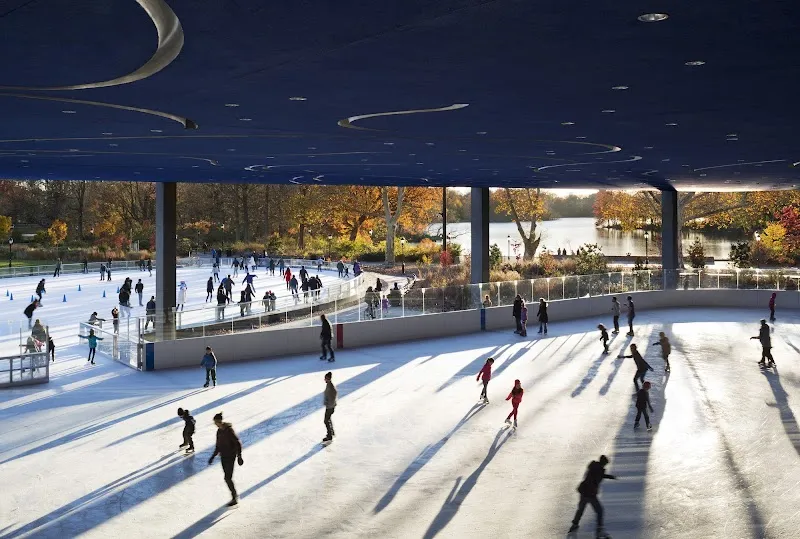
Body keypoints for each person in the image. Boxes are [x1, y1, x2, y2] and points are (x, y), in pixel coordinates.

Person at [568, 455, 617, 537]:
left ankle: (574, 524)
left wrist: (609, 476)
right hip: (590, 494)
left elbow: (596, 475)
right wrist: (592, 493)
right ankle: (599, 529)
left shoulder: (594, 466)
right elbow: (595, 478)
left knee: (581, 509)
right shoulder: (599, 470)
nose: (605, 465)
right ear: (603, 463)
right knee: (599, 511)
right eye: (605, 464)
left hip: (583, 491)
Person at [208, 412, 243, 506]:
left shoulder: (229, 430)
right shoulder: (219, 431)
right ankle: (234, 496)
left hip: (231, 456)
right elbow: (218, 445)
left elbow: (237, 443)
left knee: (227, 478)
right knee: (227, 478)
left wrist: (239, 456)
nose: (215, 424)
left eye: (215, 422)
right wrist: (213, 456)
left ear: (219, 421)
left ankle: (234, 497)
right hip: (223, 457)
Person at [323, 371, 337, 443]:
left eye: (325, 378)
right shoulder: (328, 385)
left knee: (326, 420)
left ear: (328, 378)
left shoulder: (331, 386)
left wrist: (330, 403)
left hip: (330, 407)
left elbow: (334, 393)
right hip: (329, 406)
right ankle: (331, 432)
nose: (324, 379)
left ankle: (329, 435)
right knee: (328, 419)